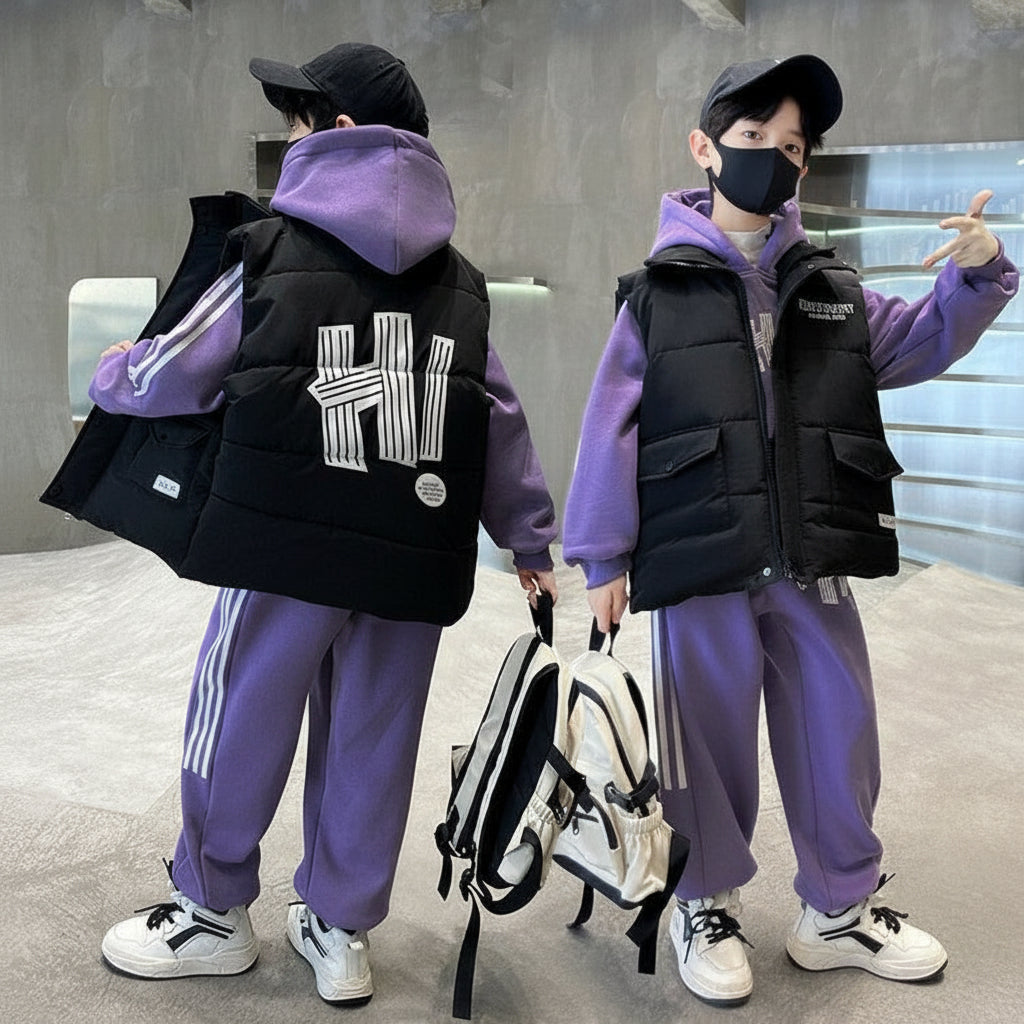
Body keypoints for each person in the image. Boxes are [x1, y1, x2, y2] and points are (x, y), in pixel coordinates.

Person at [95, 43, 558, 1007]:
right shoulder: (463, 285)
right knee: (374, 741)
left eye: (297, 123)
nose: (288, 141)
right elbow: (497, 419)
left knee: (238, 717)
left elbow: (180, 369)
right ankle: (340, 930)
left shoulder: (268, 251)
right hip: (410, 556)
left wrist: (115, 371)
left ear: (340, 134)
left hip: (282, 542)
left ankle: (211, 912)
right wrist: (529, 540)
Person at [563, 54, 1018, 1007]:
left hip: (813, 551)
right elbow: (610, 425)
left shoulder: (831, 289)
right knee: (703, 735)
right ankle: (705, 900)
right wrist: (602, 553)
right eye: (753, 138)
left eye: (794, 146)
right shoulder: (656, 293)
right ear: (705, 148)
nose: (774, 156)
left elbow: (920, 339)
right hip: (701, 554)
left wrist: (977, 276)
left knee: (837, 723)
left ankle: (838, 909)